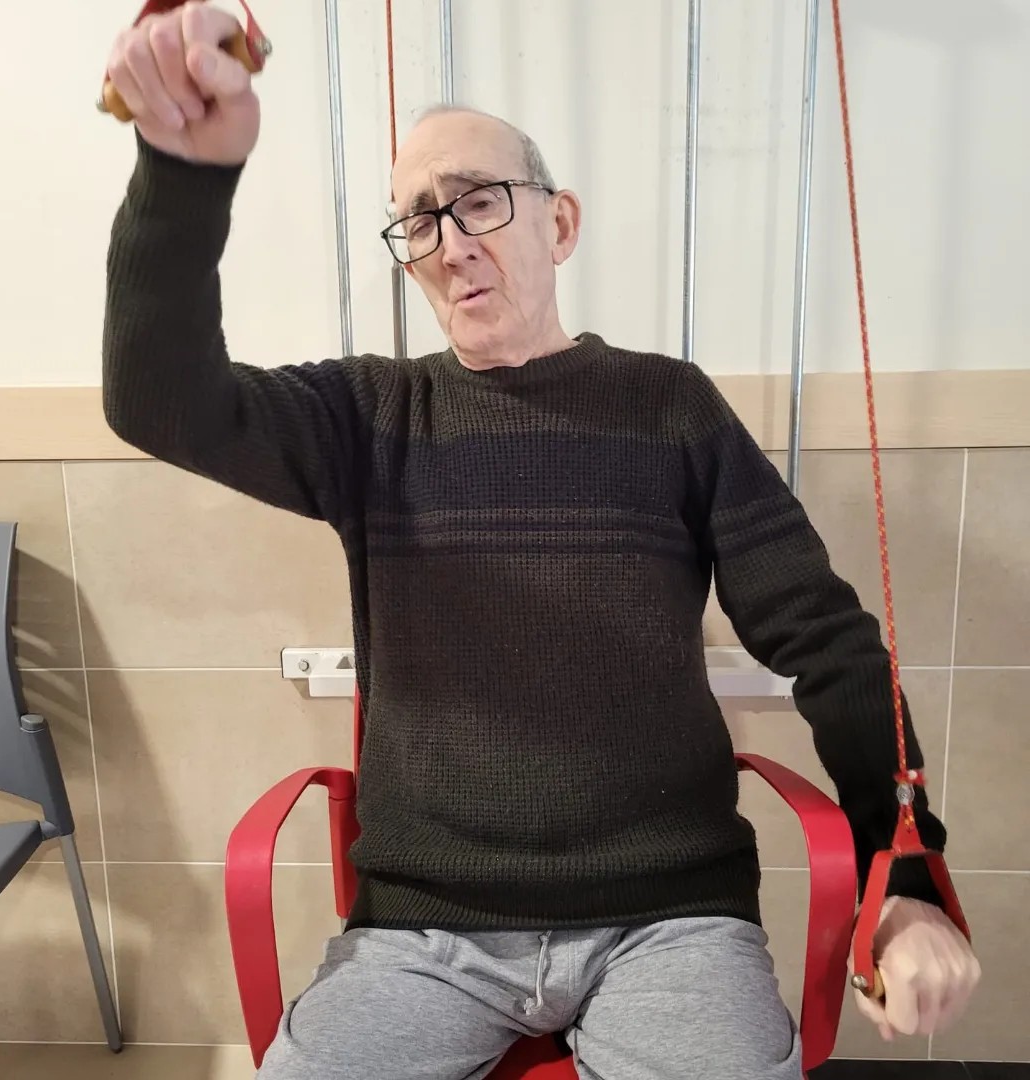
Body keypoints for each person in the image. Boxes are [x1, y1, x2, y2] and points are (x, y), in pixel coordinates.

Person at [100, 4, 981, 1077]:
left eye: (477, 200)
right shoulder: (370, 416)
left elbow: (828, 643)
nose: (449, 244)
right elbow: (157, 401)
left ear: (558, 224)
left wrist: (905, 877)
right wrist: (182, 176)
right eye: (417, 222)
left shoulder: (673, 408)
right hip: (423, 934)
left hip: (670, 920)